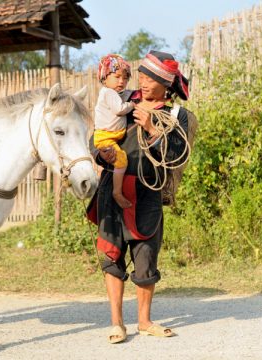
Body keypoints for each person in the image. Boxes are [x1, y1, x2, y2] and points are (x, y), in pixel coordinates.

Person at [87, 50, 191, 344]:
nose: (142, 83)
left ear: (165, 83)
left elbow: (177, 156)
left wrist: (151, 128)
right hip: (111, 187)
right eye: (141, 76)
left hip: (147, 193)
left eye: (149, 78)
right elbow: (97, 133)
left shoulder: (176, 116)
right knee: (112, 254)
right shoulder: (122, 100)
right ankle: (117, 323)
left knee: (146, 258)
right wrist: (99, 152)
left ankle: (144, 321)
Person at [93, 54, 135, 209]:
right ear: (105, 77)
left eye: (125, 78)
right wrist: (132, 105)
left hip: (108, 137)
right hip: (106, 138)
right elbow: (119, 109)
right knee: (121, 161)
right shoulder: (108, 93)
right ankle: (117, 192)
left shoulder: (115, 93)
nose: (121, 81)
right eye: (117, 77)